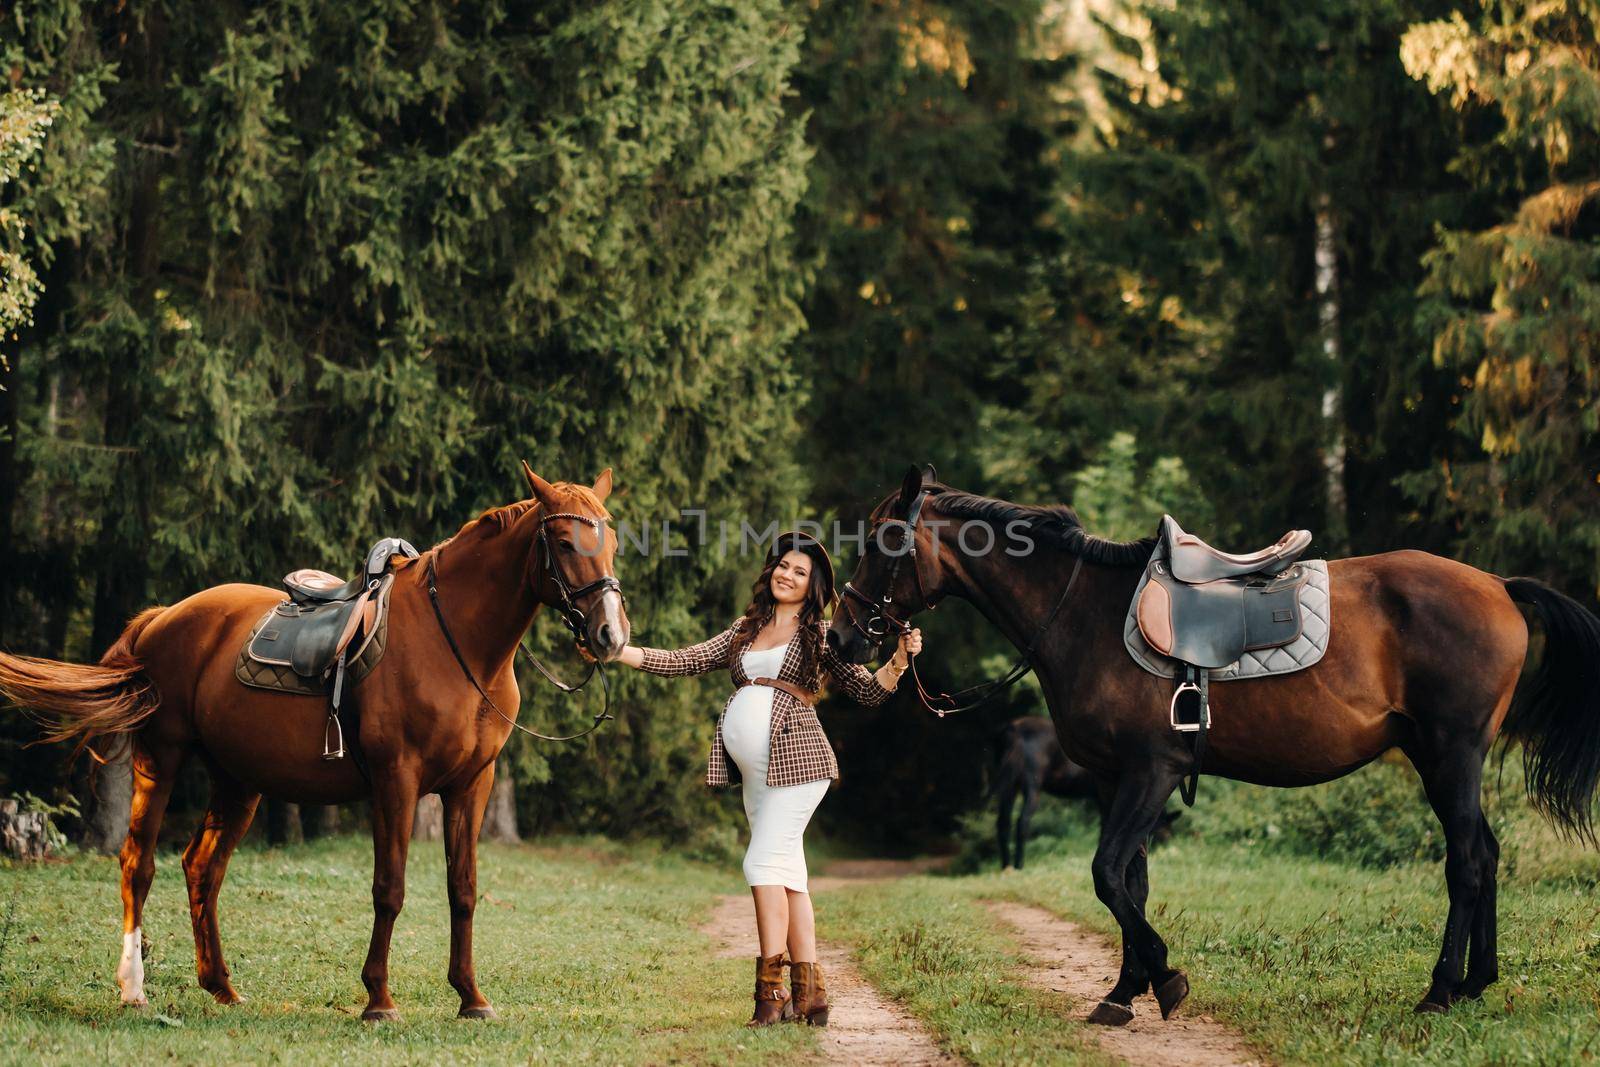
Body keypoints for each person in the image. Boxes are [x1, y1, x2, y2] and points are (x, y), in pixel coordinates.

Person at [613, 530, 922, 1027]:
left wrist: (900, 661)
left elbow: (868, 692)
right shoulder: (744, 629)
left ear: (813, 585)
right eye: (783, 565)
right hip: (758, 777)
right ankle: (811, 995)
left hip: (798, 764)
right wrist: (618, 651)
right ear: (771, 571)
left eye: (800, 571)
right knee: (789, 877)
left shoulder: (819, 635)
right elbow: (685, 659)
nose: (788, 574)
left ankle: (770, 995)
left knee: (761, 865)